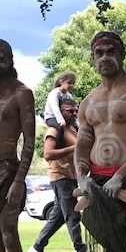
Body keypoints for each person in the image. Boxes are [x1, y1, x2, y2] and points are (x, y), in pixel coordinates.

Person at [75, 31, 126, 252]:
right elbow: (83, 143)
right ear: (92, 58)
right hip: (98, 180)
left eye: (111, 52)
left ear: (122, 55)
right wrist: (82, 177)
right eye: (99, 53)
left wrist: (122, 174)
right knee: (108, 242)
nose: (104, 58)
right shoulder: (88, 102)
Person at [28, 95, 87, 252]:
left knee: (58, 217)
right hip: (61, 177)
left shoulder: (73, 129)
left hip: (72, 177)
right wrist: (73, 148)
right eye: (70, 110)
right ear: (60, 111)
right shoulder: (55, 130)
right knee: (73, 216)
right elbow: (48, 154)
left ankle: (36, 248)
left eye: (76, 110)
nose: (74, 113)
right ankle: (81, 249)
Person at [0, 39, 35, 252]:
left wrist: (19, 181)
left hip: (9, 171)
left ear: (11, 58)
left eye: (4, 53)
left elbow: (29, 141)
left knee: (7, 231)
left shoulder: (22, 93)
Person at [43, 71, 77, 149]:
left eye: (73, 83)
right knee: (60, 128)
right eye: (69, 83)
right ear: (61, 82)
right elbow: (55, 108)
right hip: (51, 117)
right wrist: (60, 120)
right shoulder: (55, 93)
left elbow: (73, 108)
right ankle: (59, 146)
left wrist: (76, 122)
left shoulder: (69, 96)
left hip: (63, 117)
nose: (71, 85)